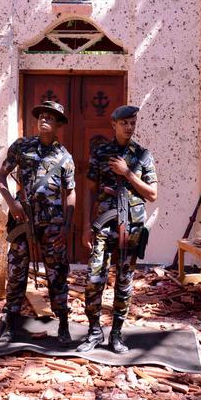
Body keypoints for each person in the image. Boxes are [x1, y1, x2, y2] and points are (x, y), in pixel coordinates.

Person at [77, 105, 157, 353]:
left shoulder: (143, 155)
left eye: (132, 122)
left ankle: (117, 334)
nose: (129, 127)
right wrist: (86, 225)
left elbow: (152, 194)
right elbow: (89, 191)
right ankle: (93, 331)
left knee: (124, 282)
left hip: (130, 229)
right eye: (124, 123)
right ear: (114, 125)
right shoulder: (100, 153)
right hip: (103, 226)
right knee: (93, 279)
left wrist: (128, 173)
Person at [0, 101, 76, 344]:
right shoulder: (21, 146)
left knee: (57, 273)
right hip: (22, 218)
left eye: (50, 117)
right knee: (16, 270)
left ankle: (63, 323)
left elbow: (70, 192)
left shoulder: (64, 157)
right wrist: (12, 203)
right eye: (41, 116)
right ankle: (10, 321)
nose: (43, 120)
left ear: (59, 124)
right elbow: (0, 177)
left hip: (52, 224)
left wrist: (67, 225)